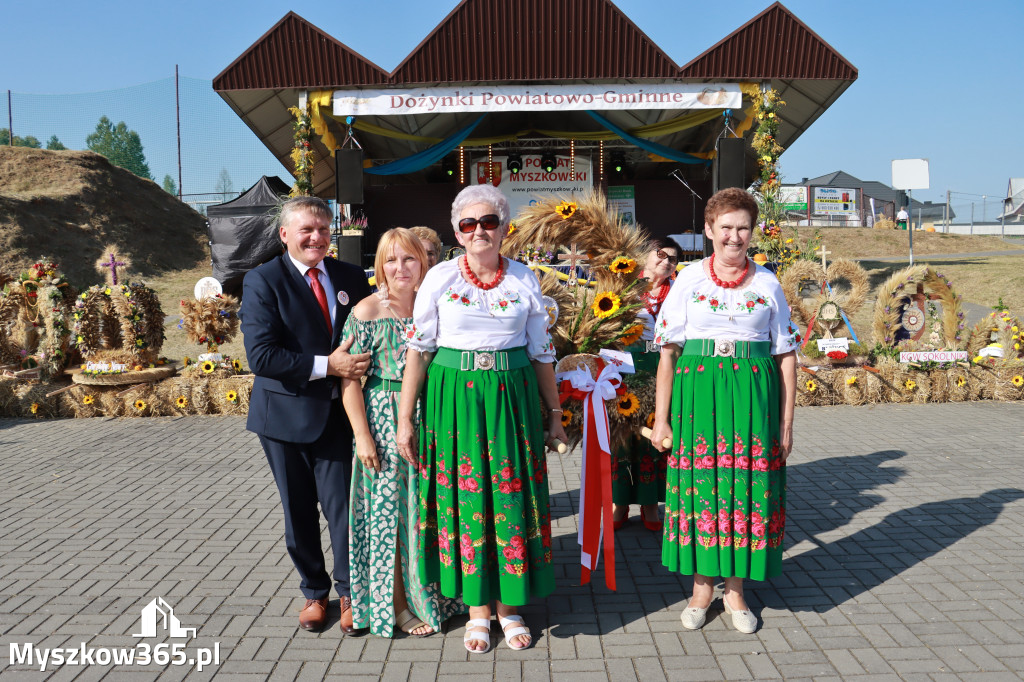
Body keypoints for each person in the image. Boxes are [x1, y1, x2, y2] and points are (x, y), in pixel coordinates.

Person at [395, 184, 567, 654]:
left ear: (504, 228)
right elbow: (418, 351)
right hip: (455, 402)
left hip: (511, 399)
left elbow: (541, 353)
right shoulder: (441, 279)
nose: (478, 232)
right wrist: (406, 419)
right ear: (457, 231)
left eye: (488, 222)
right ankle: (476, 610)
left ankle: (509, 606)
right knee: (466, 497)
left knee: (509, 495)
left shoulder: (524, 280)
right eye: (468, 224)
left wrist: (554, 414)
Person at [650, 187, 798, 634]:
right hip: (699, 396)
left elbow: (786, 355)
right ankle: (700, 587)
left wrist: (787, 422)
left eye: (743, 228)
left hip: (753, 398)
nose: (735, 237)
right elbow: (668, 354)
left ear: (753, 232)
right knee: (702, 490)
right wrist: (660, 418)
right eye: (726, 227)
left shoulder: (769, 283)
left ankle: (735, 591)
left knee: (745, 490)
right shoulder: (689, 280)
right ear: (709, 230)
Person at [241, 196, 372, 634]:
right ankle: (314, 593)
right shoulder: (263, 281)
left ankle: (352, 592)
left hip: (340, 415)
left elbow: (375, 330)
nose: (316, 237)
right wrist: (328, 366)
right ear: (285, 235)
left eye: (323, 228)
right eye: (306, 230)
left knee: (343, 508)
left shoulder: (352, 277)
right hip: (283, 418)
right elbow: (262, 356)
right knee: (297, 509)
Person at [340, 228, 465, 637]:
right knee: (390, 516)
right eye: (391, 260)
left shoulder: (438, 306)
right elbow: (349, 382)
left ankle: (436, 596)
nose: (400, 268)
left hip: (435, 415)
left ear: (425, 262)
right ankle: (394, 606)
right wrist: (362, 435)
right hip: (384, 414)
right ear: (379, 267)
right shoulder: (366, 311)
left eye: (409, 259)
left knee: (429, 510)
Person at [611, 239, 678, 532]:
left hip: (661, 369)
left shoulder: (678, 293)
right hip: (624, 369)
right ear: (646, 256)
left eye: (673, 259)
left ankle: (651, 504)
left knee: (655, 436)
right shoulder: (621, 288)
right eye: (661, 254)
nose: (666, 261)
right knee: (622, 436)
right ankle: (620, 503)